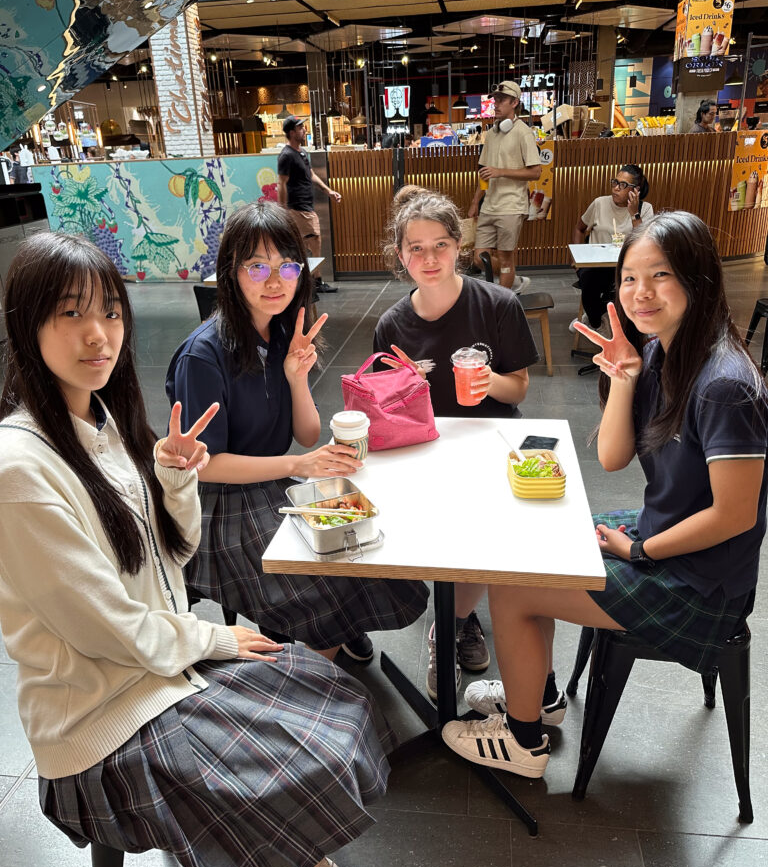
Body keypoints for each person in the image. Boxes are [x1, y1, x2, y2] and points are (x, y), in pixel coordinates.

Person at [0, 231, 389, 867]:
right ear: (26, 324)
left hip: (155, 665)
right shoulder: (19, 469)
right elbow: (105, 627)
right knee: (295, 735)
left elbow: (172, 555)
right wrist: (214, 636)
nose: (99, 335)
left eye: (111, 313)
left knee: (328, 695)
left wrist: (174, 479)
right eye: (69, 314)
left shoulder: (97, 422)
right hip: (101, 716)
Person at [447, 211, 768, 778]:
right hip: (664, 538)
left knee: (513, 585)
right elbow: (613, 457)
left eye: (661, 276)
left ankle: (524, 743)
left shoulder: (725, 385)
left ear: (699, 279)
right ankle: (537, 695)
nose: (640, 293)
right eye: (629, 278)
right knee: (530, 540)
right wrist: (624, 376)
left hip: (699, 584)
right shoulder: (665, 353)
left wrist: (640, 551)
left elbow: (735, 515)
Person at [166, 201, 428, 666]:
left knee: (369, 547)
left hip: (273, 486)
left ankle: (331, 633)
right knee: (324, 582)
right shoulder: (203, 356)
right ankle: (313, 674)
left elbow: (307, 435)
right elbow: (204, 468)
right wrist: (297, 467)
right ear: (231, 273)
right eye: (257, 266)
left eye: (287, 265)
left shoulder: (281, 332)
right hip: (220, 506)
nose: (275, 281)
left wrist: (295, 376)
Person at [373, 190, 548, 704]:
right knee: (424, 533)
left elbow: (517, 388)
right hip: (423, 446)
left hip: (490, 442)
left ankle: (453, 621)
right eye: (416, 248)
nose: (430, 260)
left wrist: (487, 380)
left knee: (482, 537)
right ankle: (449, 616)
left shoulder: (498, 305)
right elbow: (387, 405)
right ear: (400, 255)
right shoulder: (391, 326)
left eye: (441, 245)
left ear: (460, 246)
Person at [467, 80, 541, 293]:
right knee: (480, 258)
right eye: (495, 100)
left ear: (515, 102)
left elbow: (535, 172)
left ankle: (503, 304)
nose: (496, 104)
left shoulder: (523, 132)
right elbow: (484, 172)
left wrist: (500, 172)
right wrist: (475, 202)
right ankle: (514, 281)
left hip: (511, 205)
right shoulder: (491, 134)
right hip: (489, 204)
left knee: (507, 257)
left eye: (501, 100)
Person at [570, 164, 653, 336]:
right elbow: (579, 228)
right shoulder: (600, 203)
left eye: (623, 185)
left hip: (627, 267)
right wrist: (577, 259)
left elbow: (645, 242)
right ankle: (597, 323)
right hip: (595, 266)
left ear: (635, 190)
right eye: (615, 182)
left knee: (630, 291)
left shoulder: (645, 209)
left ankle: (597, 322)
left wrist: (634, 214)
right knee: (590, 283)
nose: (616, 188)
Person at [277, 115, 340, 293]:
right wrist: (283, 211)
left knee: (306, 243)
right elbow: (281, 183)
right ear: (291, 132)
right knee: (314, 240)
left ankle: (307, 281)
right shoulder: (286, 156)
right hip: (297, 207)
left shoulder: (302, 152)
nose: (304, 130)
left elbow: (310, 174)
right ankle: (314, 281)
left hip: (306, 205)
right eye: (300, 128)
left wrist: (328, 191)